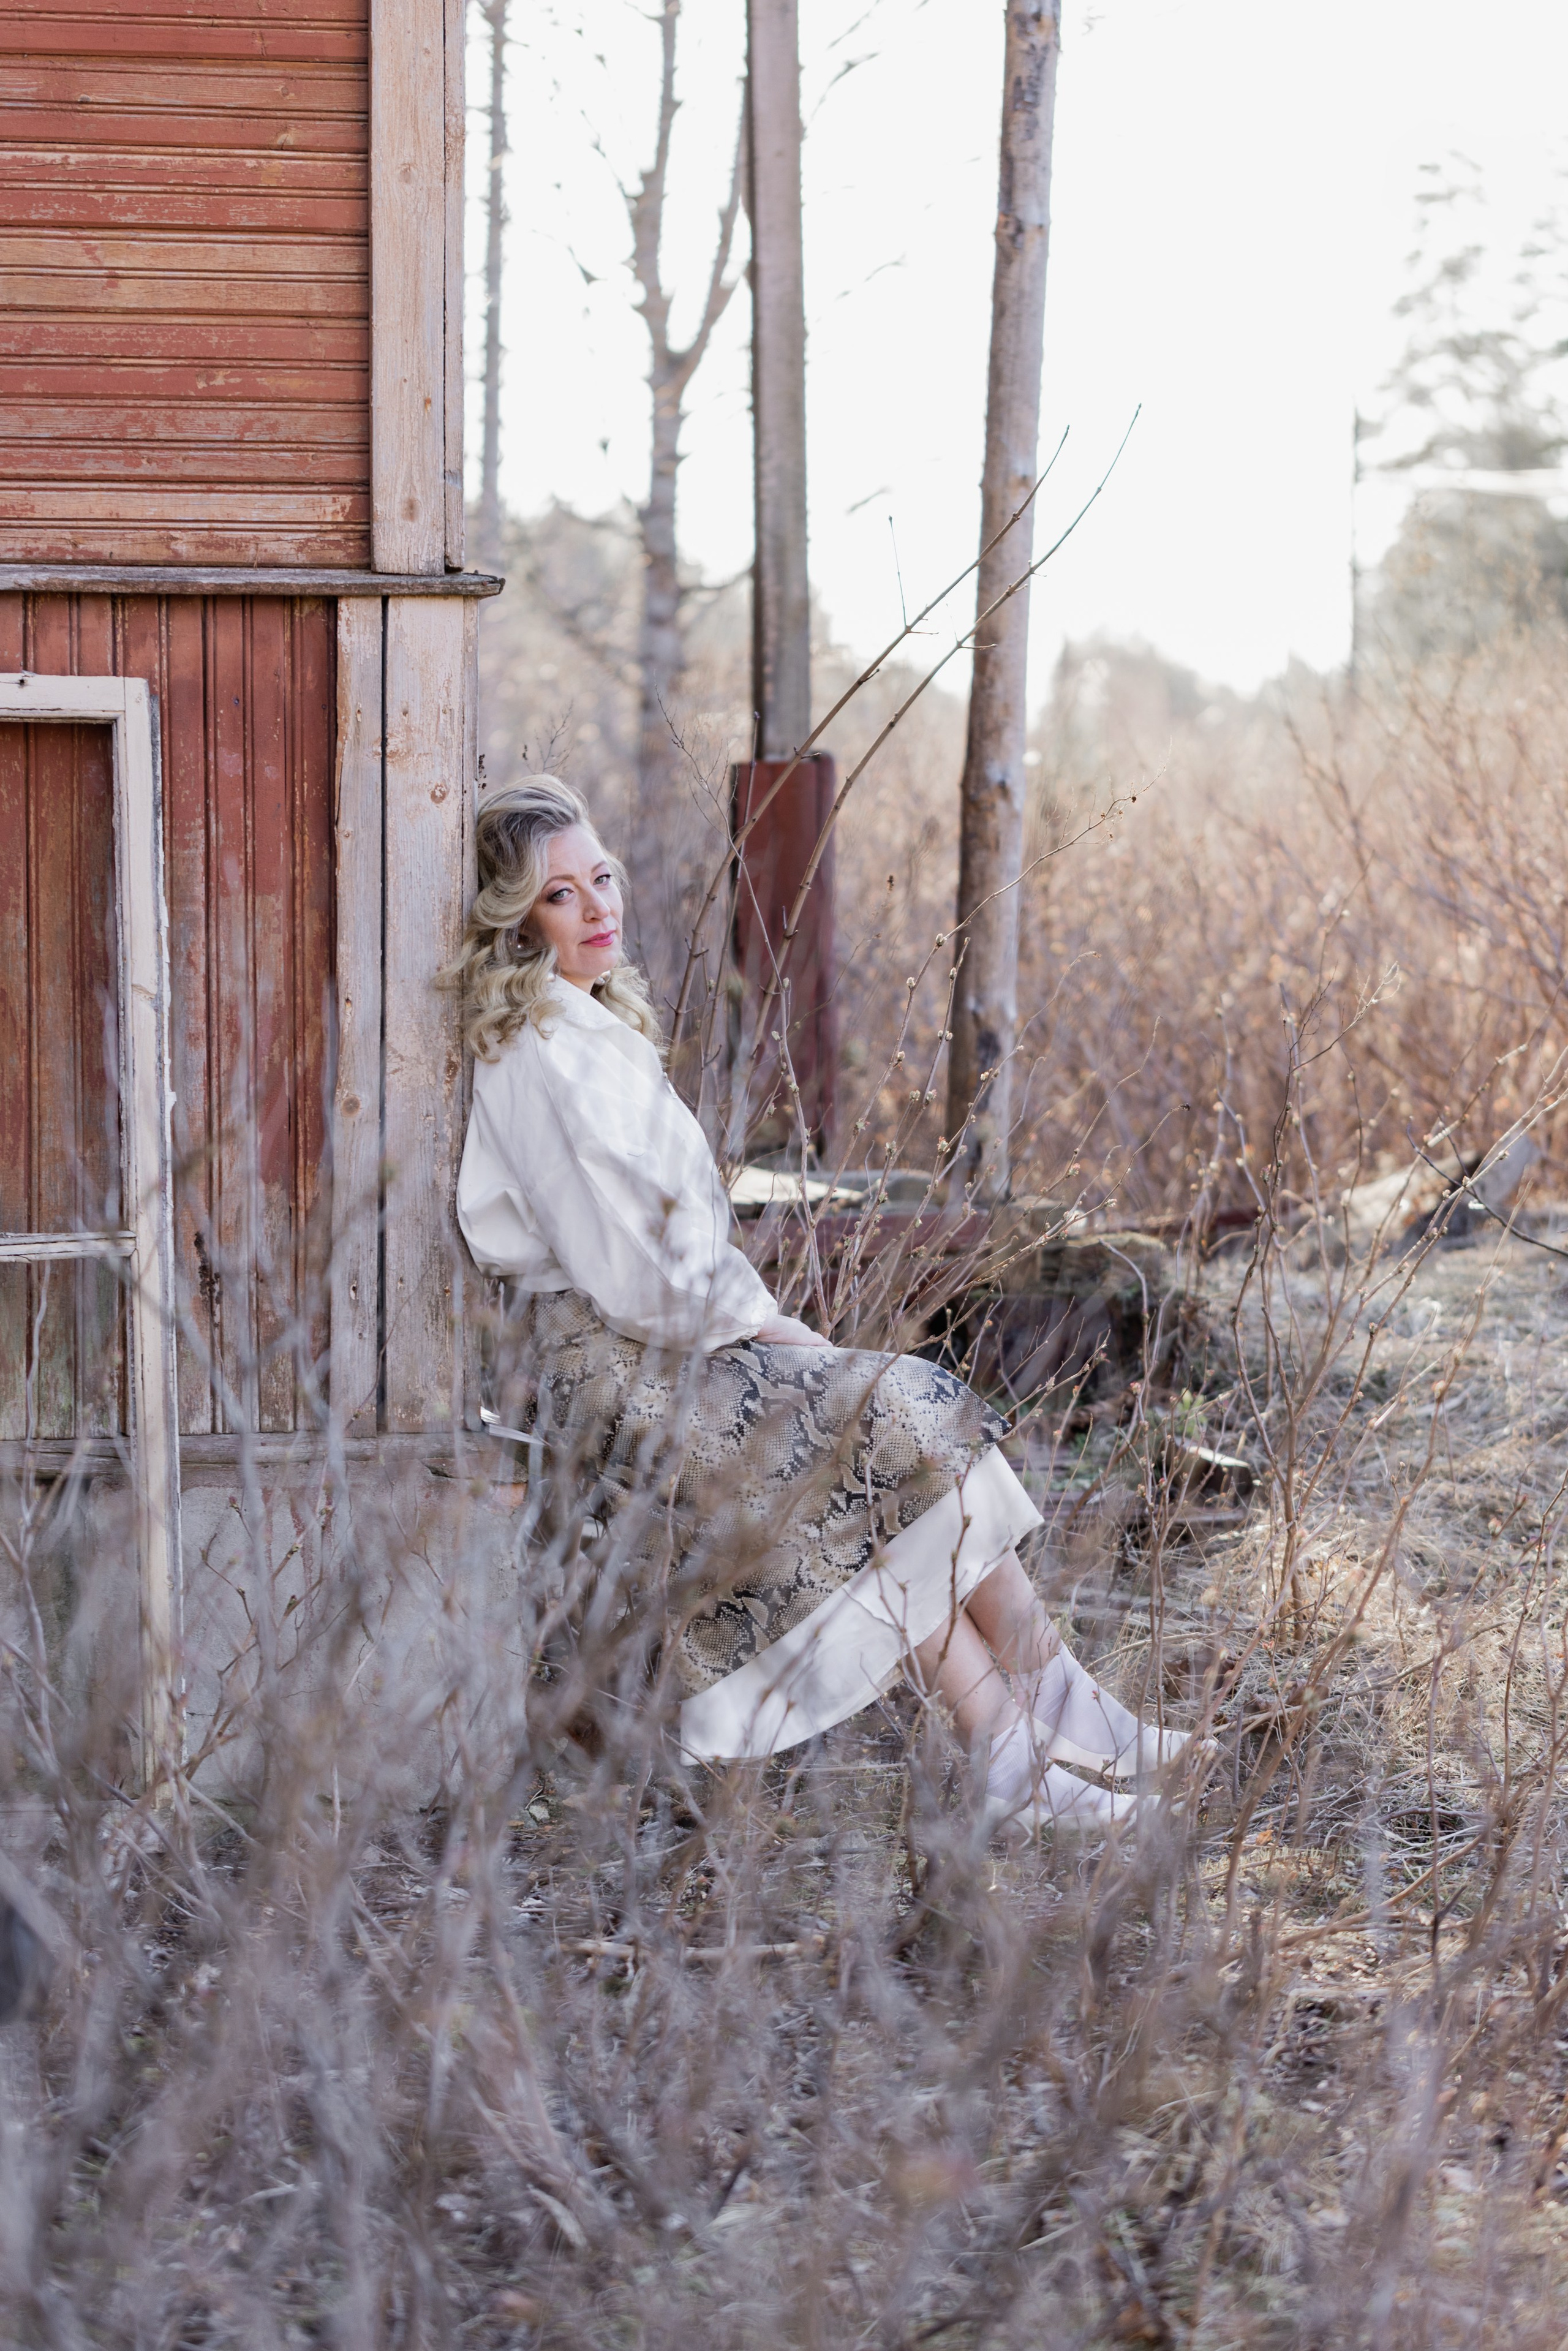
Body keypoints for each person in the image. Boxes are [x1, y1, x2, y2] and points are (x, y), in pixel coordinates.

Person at [450, 777, 1190, 1838]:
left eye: (601, 876)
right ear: (516, 921)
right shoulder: (534, 1051)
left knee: (886, 1426)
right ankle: (1016, 1751)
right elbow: (624, 1259)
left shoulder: (590, 1025)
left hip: (667, 1342)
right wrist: (762, 1326)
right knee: (875, 1423)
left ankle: (1057, 1715)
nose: (601, 905)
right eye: (562, 896)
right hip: (616, 1365)